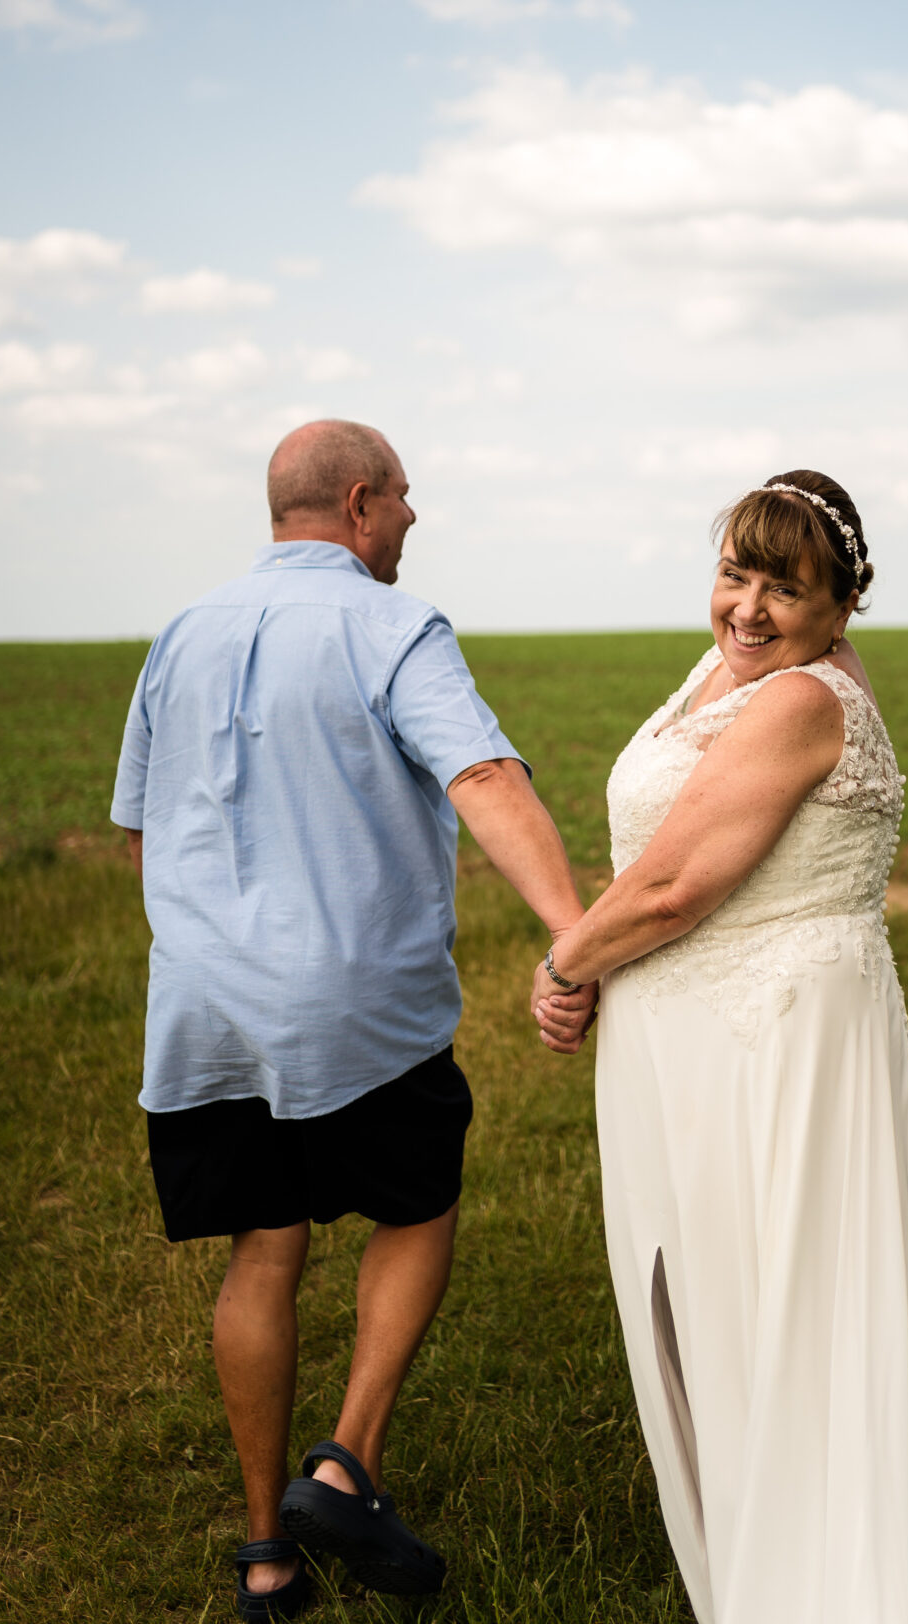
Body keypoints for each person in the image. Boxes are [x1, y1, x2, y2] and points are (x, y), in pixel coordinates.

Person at [112, 419, 594, 1622]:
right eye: (408, 497)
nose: (416, 519)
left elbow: (141, 834)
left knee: (264, 1245)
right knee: (418, 1202)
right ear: (363, 501)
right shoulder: (392, 626)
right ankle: (345, 1467)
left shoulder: (180, 633)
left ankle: (265, 1557)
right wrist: (575, 935)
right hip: (358, 1007)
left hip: (207, 1013)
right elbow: (484, 776)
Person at [531, 470, 908, 1624]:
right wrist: (600, 957)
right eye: (734, 576)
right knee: (718, 1315)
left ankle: (824, 1589)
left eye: (786, 589)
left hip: (777, 1048)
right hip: (691, 1043)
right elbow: (660, 865)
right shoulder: (730, 670)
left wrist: (566, 966)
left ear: (843, 604)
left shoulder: (804, 700)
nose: (749, 609)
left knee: (788, 1316)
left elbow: (674, 888)